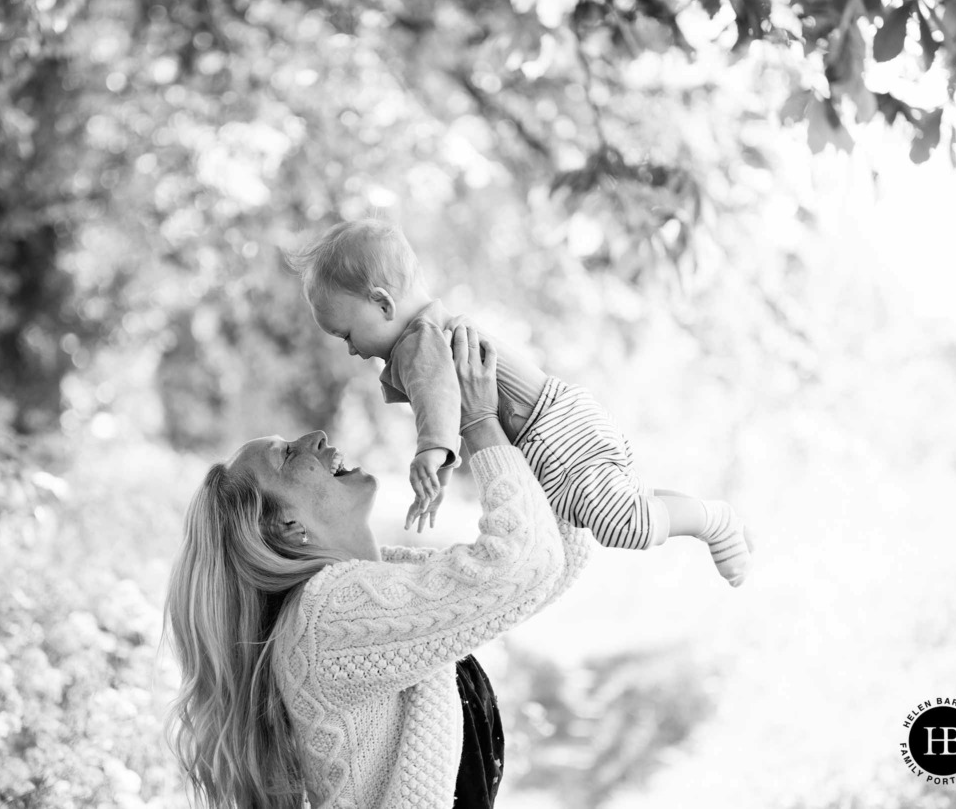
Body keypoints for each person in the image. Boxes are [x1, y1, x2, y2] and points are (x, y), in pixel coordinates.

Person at [164, 325, 594, 808]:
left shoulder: (366, 591)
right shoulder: (327, 615)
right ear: (287, 526)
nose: (315, 436)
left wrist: (528, 426)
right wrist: (477, 420)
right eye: (287, 455)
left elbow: (544, 565)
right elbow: (520, 566)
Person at [287, 218, 751, 586]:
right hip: (560, 417)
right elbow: (443, 402)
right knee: (618, 507)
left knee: (619, 526)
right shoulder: (430, 332)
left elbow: (439, 396)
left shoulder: (417, 340)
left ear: (383, 304)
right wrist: (441, 467)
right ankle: (706, 513)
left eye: (347, 334)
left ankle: (712, 519)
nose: (350, 349)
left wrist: (430, 452)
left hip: (550, 429)